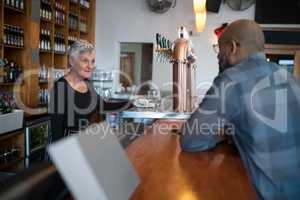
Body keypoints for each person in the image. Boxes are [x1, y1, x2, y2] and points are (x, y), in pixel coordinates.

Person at [180, 19, 300, 199]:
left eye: (219, 50)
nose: (219, 56)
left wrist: (218, 135)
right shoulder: (290, 79)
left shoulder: (231, 80)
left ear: (233, 47)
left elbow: (191, 140)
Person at [50, 40, 129, 142]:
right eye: (85, 61)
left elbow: (103, 105)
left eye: (92, 61)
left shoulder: (87, 84)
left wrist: (131, 103)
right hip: (66, 144)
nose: (90, 66)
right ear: (72, 61)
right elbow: (56, 130)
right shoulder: (60, 87)